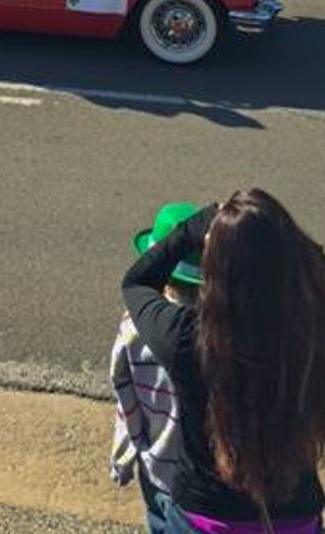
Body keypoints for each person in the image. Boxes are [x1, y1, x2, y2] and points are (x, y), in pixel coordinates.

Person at [122, 189, 325, 533]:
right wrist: (287, 240)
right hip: (294, 514)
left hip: (207, 516)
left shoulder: (188, 339)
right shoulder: (316, 333)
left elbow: (137, 283)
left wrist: (193, 228)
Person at [110, 203, 203, 534]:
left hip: (157, 466)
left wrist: (123, 457)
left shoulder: (134, 329)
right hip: (206, 483)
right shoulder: (225, 336)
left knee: (160, 521)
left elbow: (126, 400)